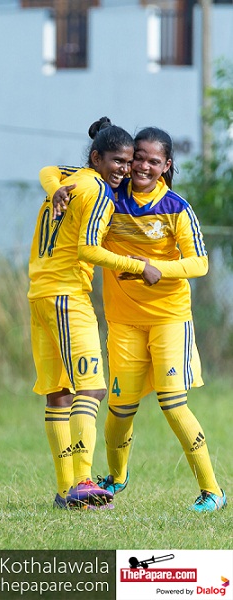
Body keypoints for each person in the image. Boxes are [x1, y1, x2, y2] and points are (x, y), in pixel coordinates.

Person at [40, 127, 226, 512]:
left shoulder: (176, 207)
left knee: (172, 402)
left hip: (169, 318)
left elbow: (201, 263)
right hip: (124, 322)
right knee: (120, 408)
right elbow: (56, 174)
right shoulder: (109, 197)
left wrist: (155, 267)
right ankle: (118, 476)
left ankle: (213, 491)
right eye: (138, 157)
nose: (142, 166)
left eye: (153, 161)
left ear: (166, 166)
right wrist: (51, 189)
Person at [28, 117, 161, 510]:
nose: (124, 169)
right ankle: (84, 480)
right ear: (97, 158)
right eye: (118, 161)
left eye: (128, 162)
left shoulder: (74, 179)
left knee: (59, 393)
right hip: (68, 294)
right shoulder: (99, 192)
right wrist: (138, 264)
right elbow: (88, 250)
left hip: (40, 291)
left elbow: (46, 170)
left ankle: (66, 489)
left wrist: (54, 191)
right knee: (92, 388)